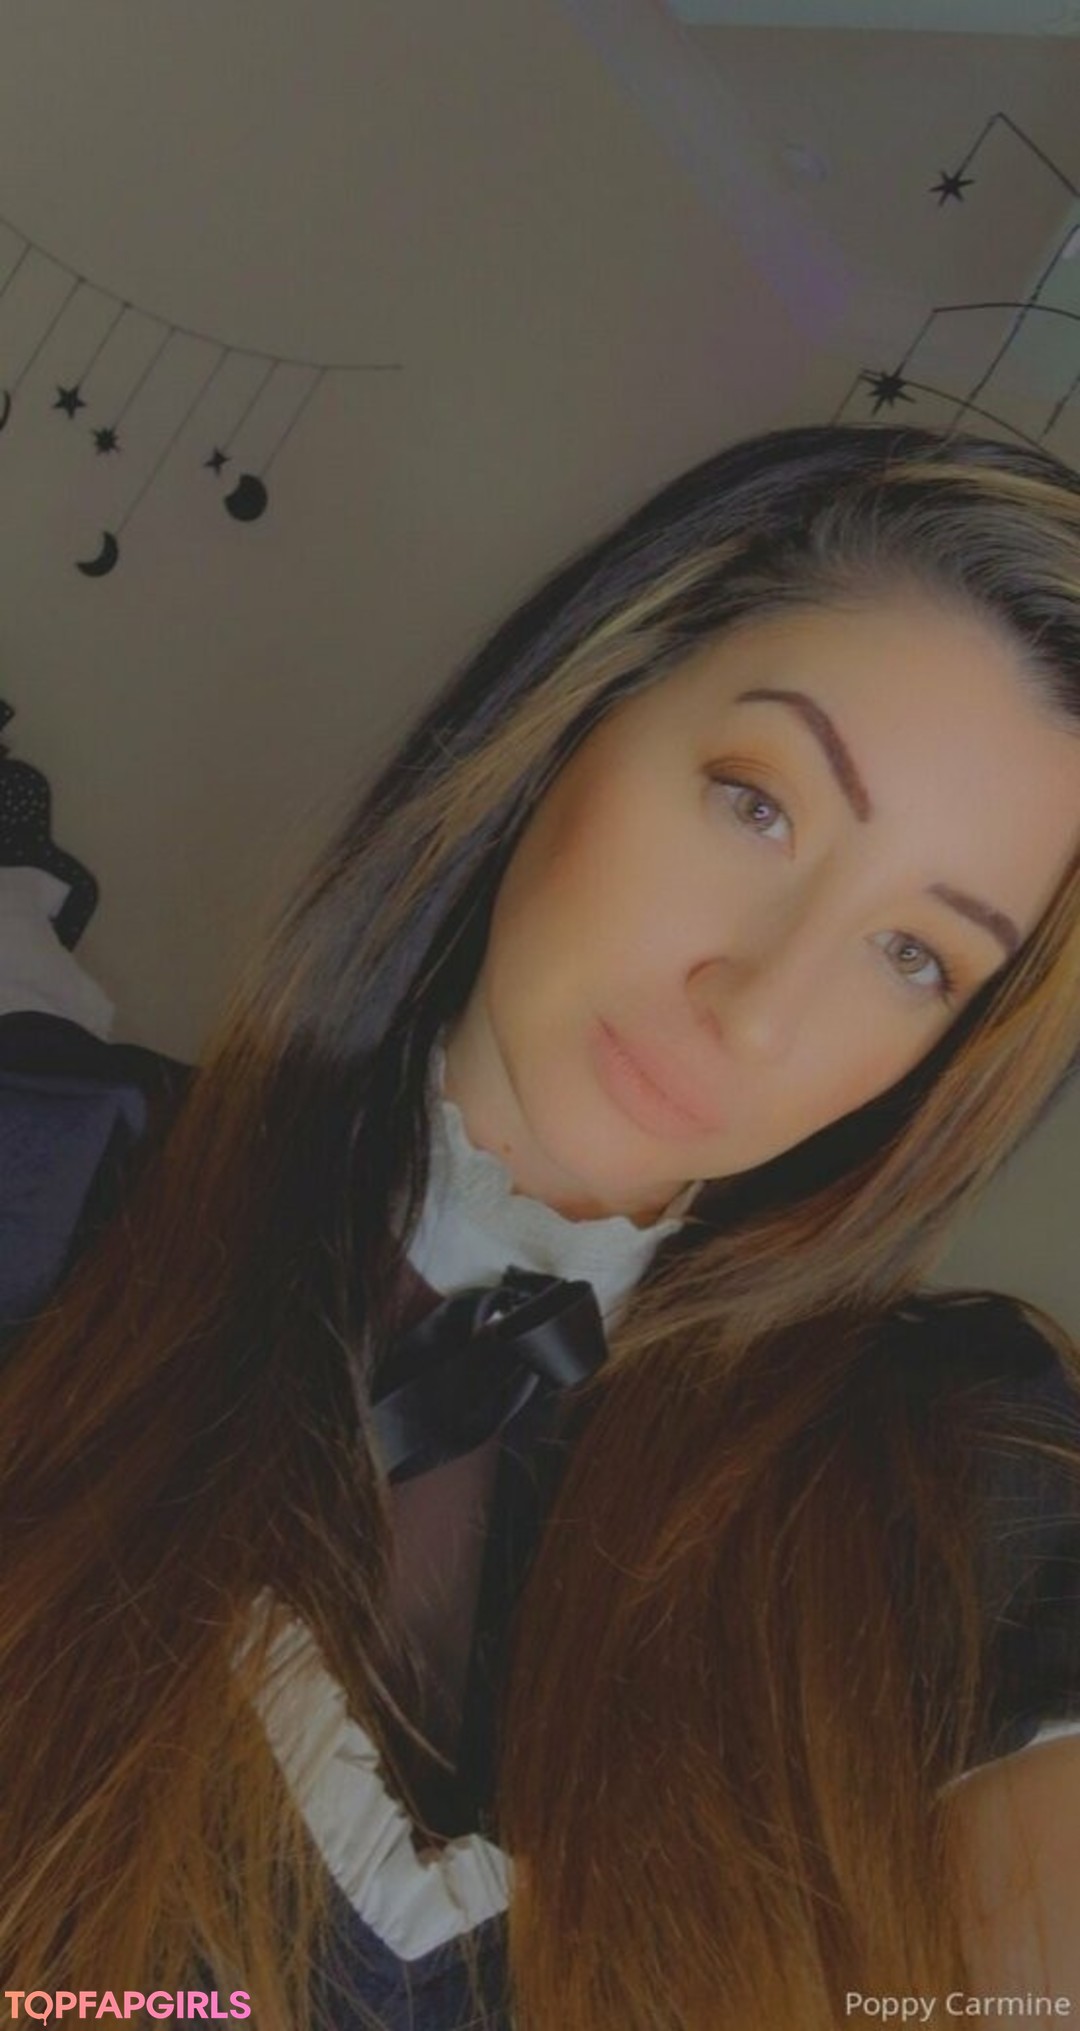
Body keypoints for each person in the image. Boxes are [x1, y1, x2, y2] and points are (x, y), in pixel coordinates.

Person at [2, 419, 1080, 2031]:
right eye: (758, 804)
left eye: (917, 957)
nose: (759, 1006)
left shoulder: (951, 1481)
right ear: (584, 708)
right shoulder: (48, 1179)